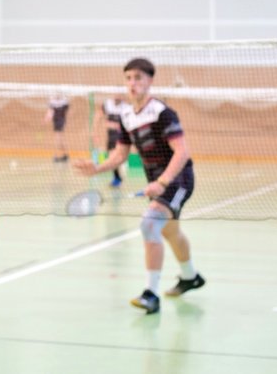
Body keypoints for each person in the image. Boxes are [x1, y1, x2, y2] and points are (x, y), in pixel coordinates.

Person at [74, 58, 204, 314]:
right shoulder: (126, 115)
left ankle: (150, 294)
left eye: (138, 78)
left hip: (177, 180)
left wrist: (163, 182)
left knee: (149, 224)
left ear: (150, 81)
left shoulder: (161, 112)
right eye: (128, 78)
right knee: (169, 232)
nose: (132, 83)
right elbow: (120, 154)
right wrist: (98, 167)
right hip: (155, 183)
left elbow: (182, 152)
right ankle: (191, 277)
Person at [93, 95, 126, 187]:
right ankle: (117, 178)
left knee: (114, 157)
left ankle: (118, 178)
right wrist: (95, 132)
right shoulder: (108, 104)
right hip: (110, 137)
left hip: (121, 137)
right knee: (111, 156)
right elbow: (98, 116)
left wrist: (116, 125)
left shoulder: (126, 107)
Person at [45, 94, 69, 162]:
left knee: (58, 138)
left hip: (60, 121)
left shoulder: (64, 104)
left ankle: (56, 155)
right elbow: (50, 112)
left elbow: (66, 106)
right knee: (60, 139)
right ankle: (65, 155)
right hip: (56, 122)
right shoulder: (53, 104)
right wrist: (47, 118)